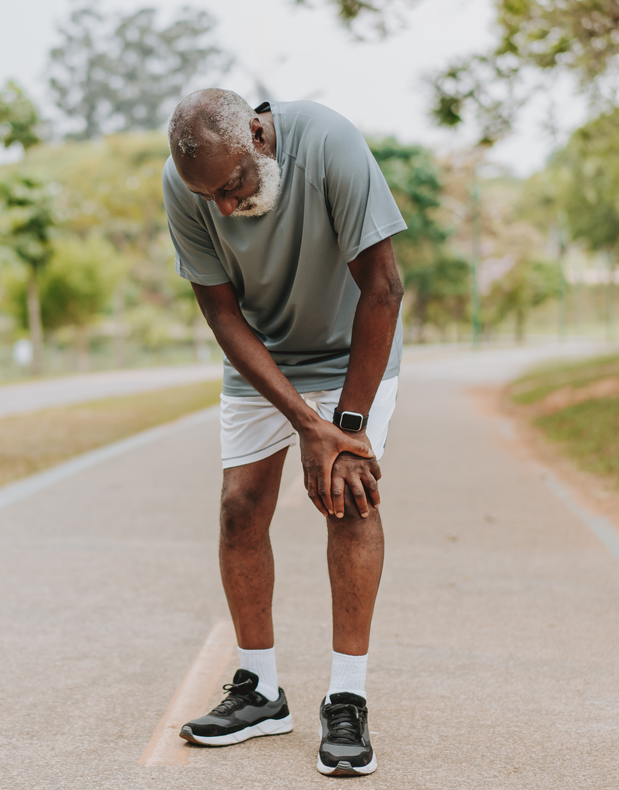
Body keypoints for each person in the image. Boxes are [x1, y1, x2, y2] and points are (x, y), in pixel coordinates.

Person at [162, 89, 405, 777]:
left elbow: (384, 286)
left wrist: (343, 430)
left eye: (234, 185)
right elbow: (218, 307)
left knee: (346, 494)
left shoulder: (329, 144)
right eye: (211, 196)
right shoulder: (189, 184)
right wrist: (305, 423)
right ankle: (261, 690)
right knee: (240, 505)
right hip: (263, 357)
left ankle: (347, 698)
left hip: (352, 347)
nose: (226, 209)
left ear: (260, 136)